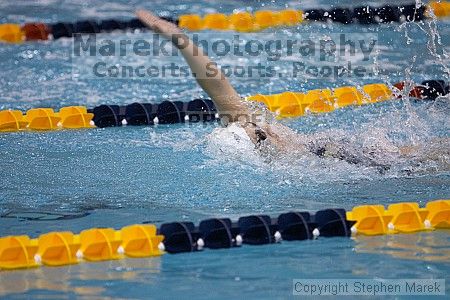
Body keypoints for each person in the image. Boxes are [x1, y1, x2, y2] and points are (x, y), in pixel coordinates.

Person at [135, 10, 449, 171]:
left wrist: (176, 37)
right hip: (346, 153)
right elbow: (214, 79)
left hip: (345, 156)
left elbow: (214, 81)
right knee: (423, 155)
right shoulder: (248, 126)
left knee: (423, 156)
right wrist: (176, 36)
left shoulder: (250, 132)